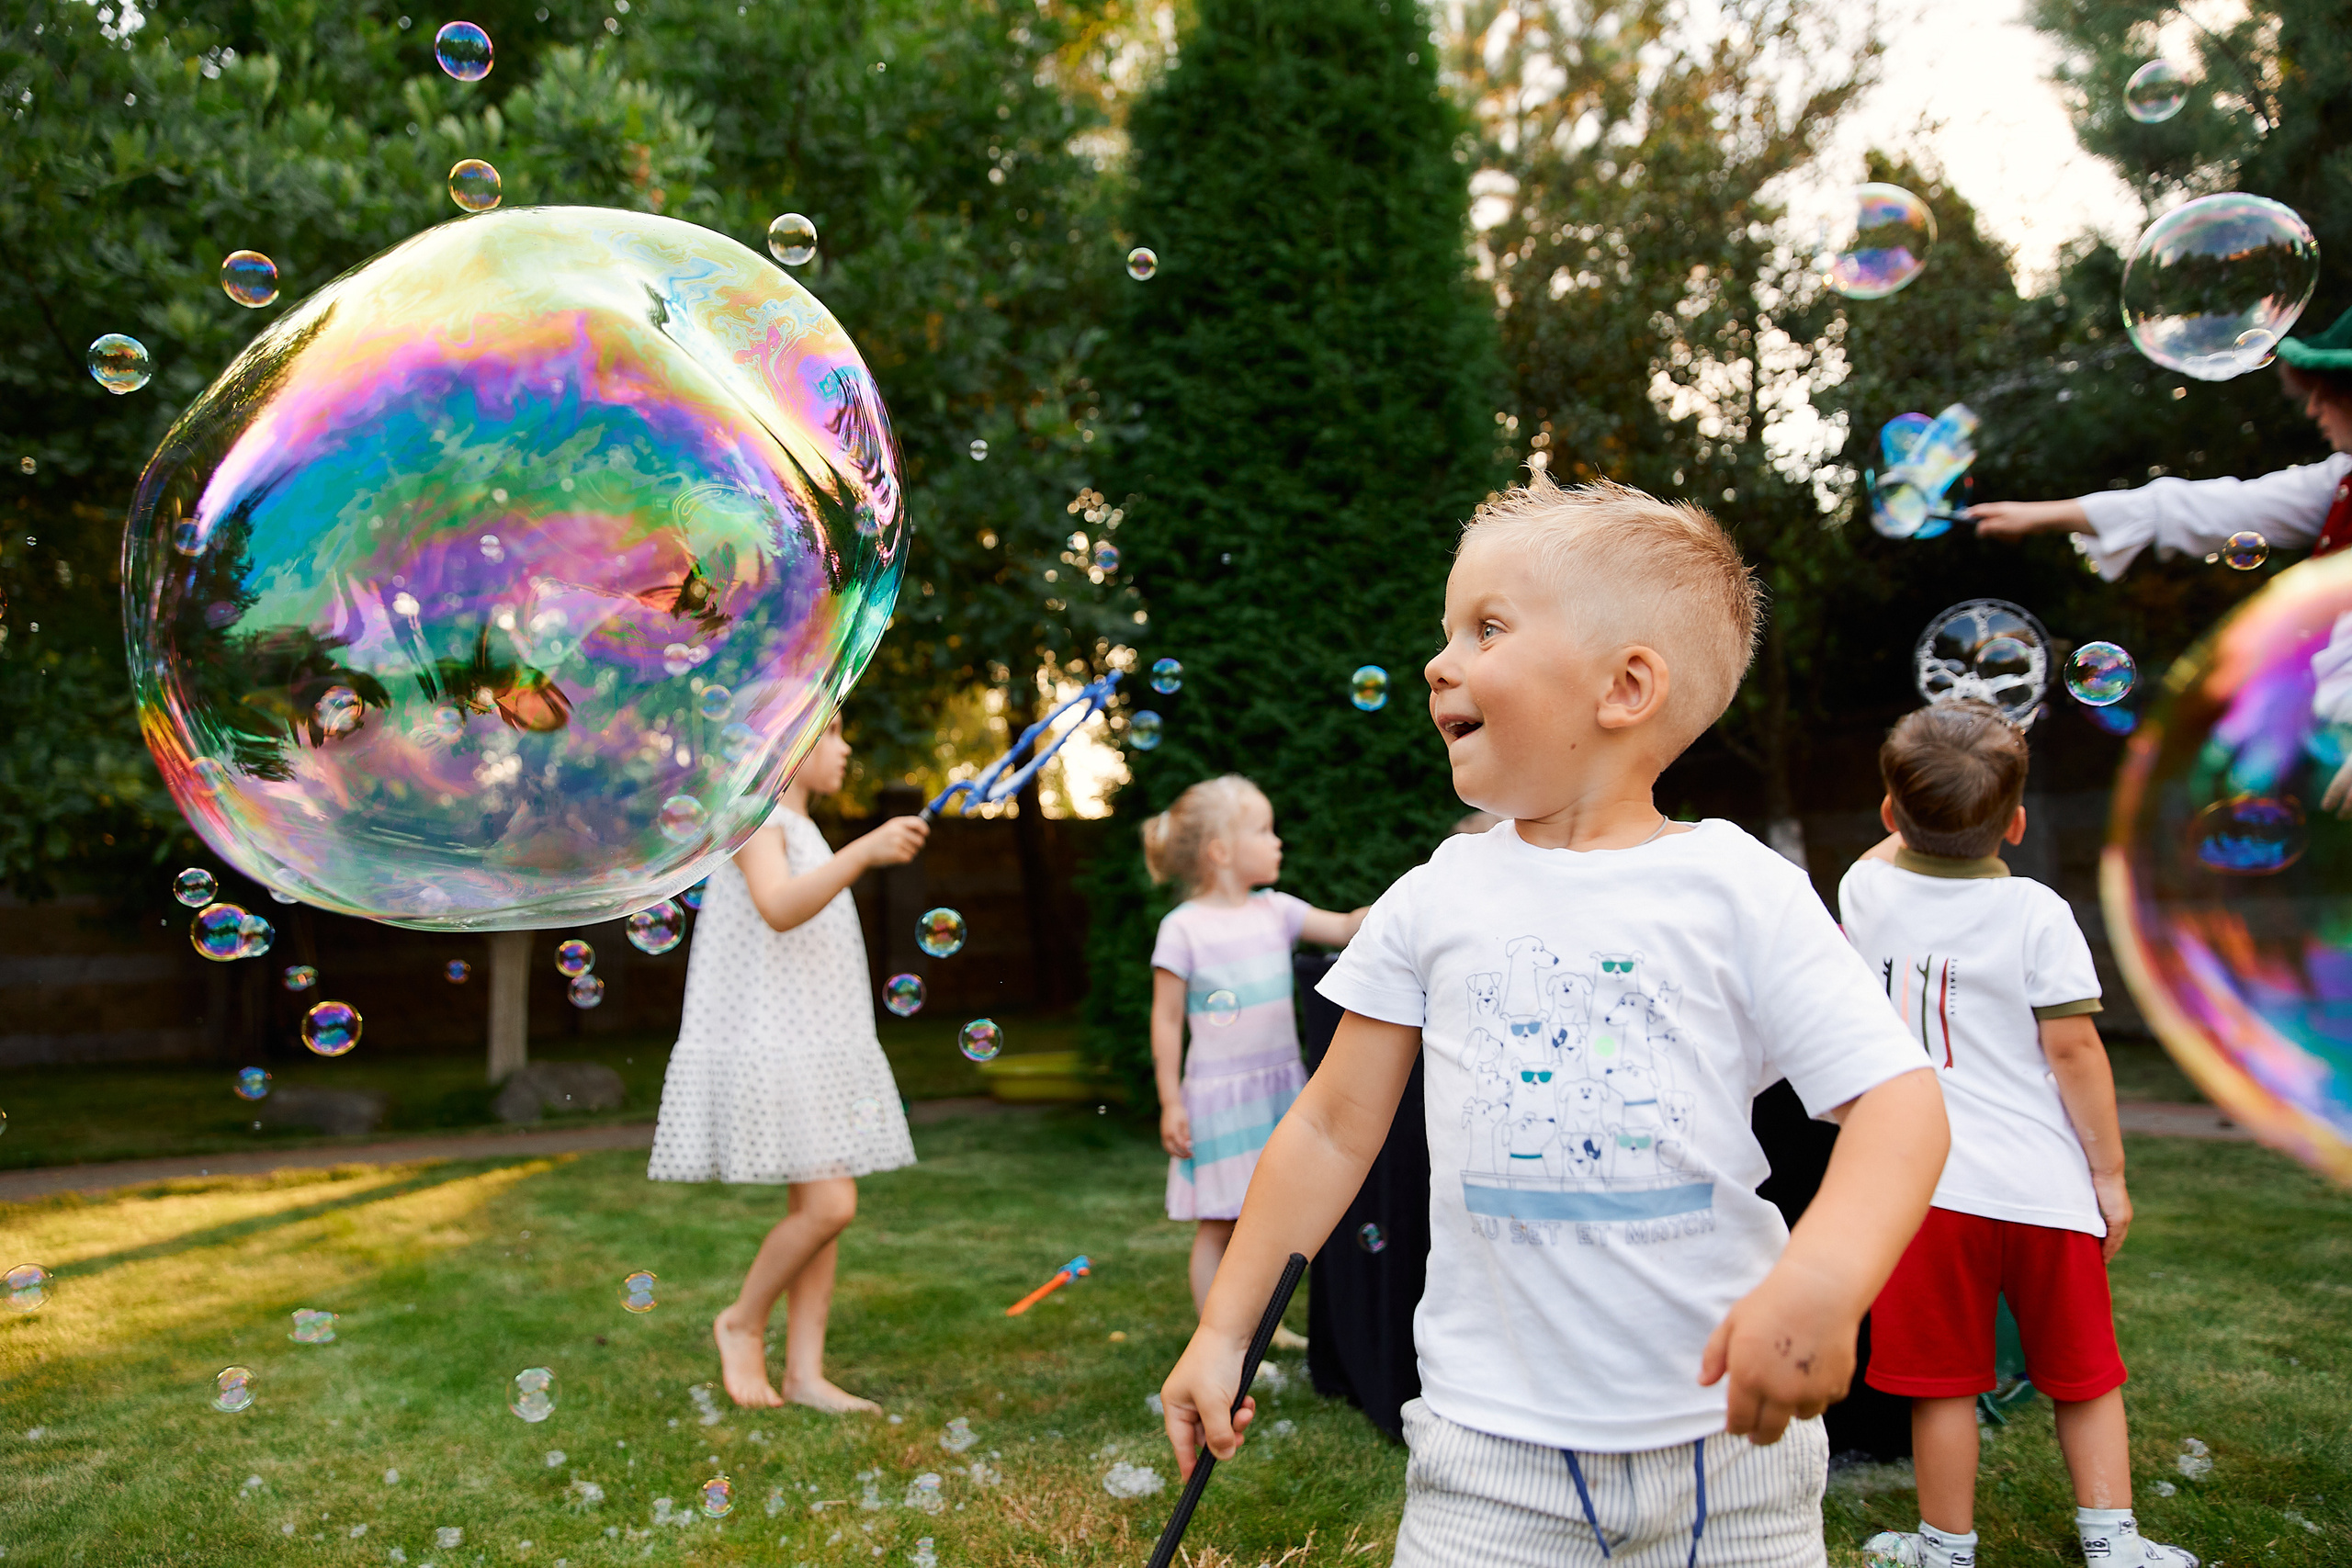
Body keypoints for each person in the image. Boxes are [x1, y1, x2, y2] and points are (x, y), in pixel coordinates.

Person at [1158, 475, 1951, 1567]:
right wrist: (1223, 1331)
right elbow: (1333, 1128)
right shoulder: (1435, 893)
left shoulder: (1737, 888)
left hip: (1726, 1459)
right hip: (1487, 1457)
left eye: (1484, 628)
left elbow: (1901, 1105)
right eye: (1446, 632)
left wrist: (1823, 1280)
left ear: (1624, 686)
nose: (1440, 661)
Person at [1839, 702, 2195, 1568]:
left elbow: (1881, 853)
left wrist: (1919, 798)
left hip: (1921, 1192)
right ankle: (2114, 1543)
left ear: (1889, 812)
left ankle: (1945, 1545)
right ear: (2019, 822)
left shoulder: (1865, 893)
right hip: (2044, 1189)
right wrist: (2107, 1176)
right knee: (2083, 1374)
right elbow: (2073, 1049)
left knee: (1943, 1385)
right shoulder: (2039, 911)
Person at [647, 717, 930, 1411]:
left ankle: (806, 1372)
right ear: (793, 746)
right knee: (832, 1203)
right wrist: (865, 851)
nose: (846, 747)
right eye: (833, 736)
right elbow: (778, 907)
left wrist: (854, 851)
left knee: (820, 1207)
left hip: (821, 1037)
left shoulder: (804, 827)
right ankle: (741, 1319)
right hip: (779, 1038)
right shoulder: (759, 819)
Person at [1146, 774, 1366, 1335]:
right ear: (1220, 851)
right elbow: (1167, 1020)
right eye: (1264, 830)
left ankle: (1262, 1327)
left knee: (1273, 1219)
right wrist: (1171, 1103)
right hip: (1218, 1098)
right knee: (1220, 1223)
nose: (1278, 841)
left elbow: (1343, 928)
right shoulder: (1182, 929)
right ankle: (1216, 1338)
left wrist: (1407, 901)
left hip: (1277, 1090)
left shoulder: (1278, 912)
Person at [1970, 305, 2352, 578]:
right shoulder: (2337, 482)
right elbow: (2199, 508)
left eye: (2330, 389)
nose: (2313, 408)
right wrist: (2037, 516)